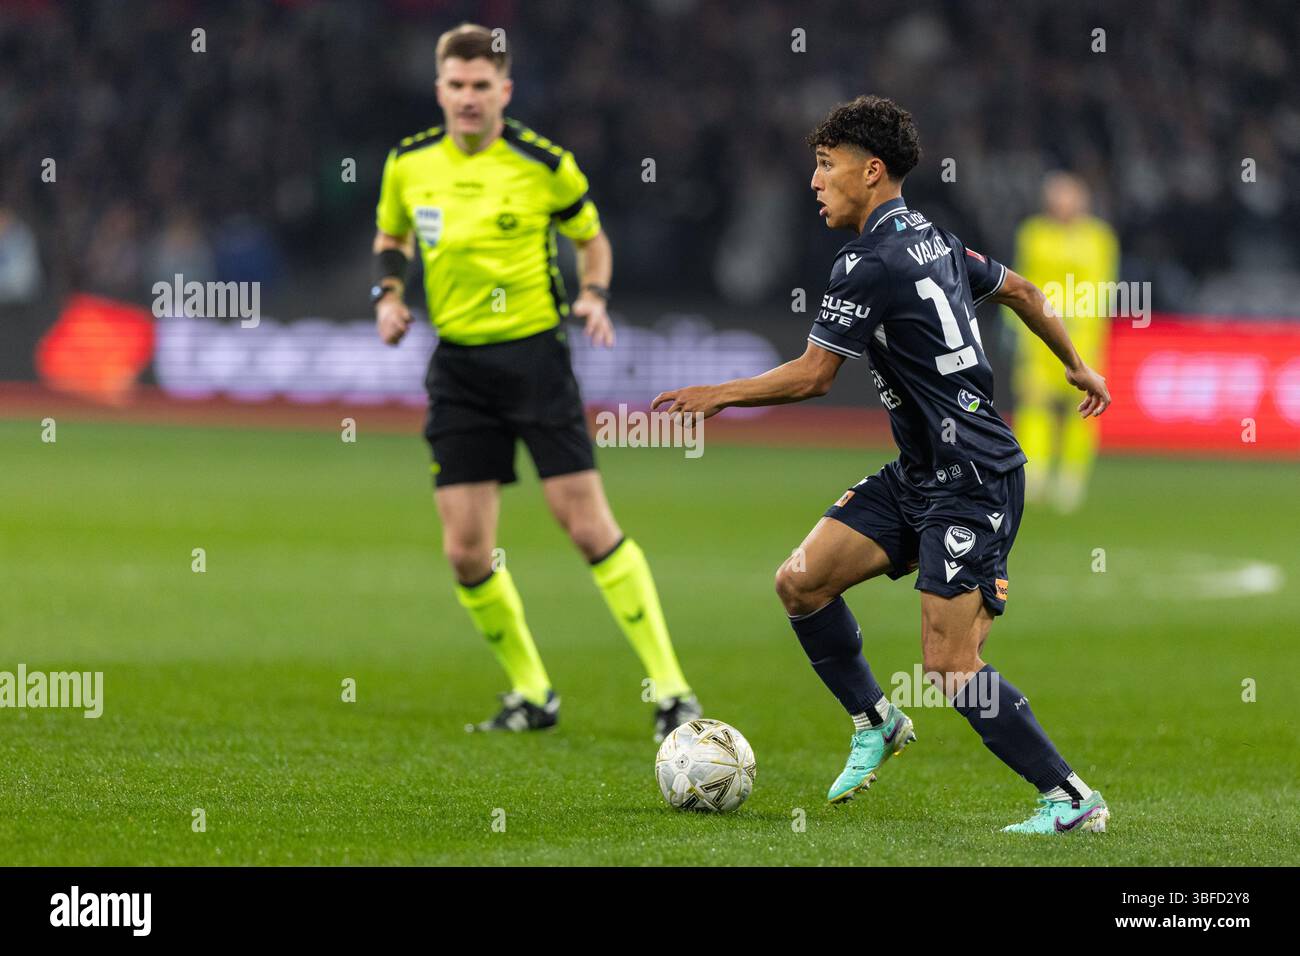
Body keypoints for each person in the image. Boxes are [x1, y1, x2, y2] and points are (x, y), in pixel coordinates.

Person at [653, 96, 1112, 833]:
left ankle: (1071, 799)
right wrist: (1078, 365)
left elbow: (812, 377)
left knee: (951, 666)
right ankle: (877, 719)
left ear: (871, 172)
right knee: (801, 583)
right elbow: (1022, 290)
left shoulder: (867, 262)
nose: (815, 181)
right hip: (920, 474)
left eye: (826, 166)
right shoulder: (933, 238)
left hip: (974, 480)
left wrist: (720, 394)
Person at [372, 23, 699, 739]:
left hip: (535, 361)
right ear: (439, 90)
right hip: (457, 367)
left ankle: (671, 690)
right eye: (455, 86)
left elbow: (592, 238)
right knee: (464, 550)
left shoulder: (542, 163)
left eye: (480, 86)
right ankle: (531, 692)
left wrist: (595, 295)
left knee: (585, 526)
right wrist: (390, 296)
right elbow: (392, 237)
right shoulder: (407, 165)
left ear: (504, 91)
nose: (467, 98)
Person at [1006, 172, 1119, 512]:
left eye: (1069, 198)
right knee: (1034, 403)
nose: (1062, 205)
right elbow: (1021, 280)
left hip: (1082, 336)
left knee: (1083, 408)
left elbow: (1102, 285)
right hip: (1038, 336)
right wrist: (1015, 324)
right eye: (1057, 198)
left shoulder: (1099, 238)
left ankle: (1071, 478)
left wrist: (1079, 315)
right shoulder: (1034, 233)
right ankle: (1034, 473)